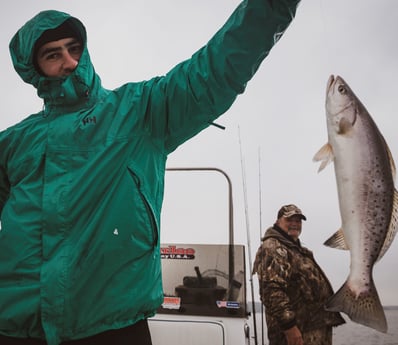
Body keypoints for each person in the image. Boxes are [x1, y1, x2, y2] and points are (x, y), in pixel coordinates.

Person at [0, 2, 302, 345]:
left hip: (112, 324)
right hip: (17, 325)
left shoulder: (141, 111)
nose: (69, 62)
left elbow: (215, 70)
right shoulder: (13, 142)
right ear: (35, 69)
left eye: (74, 49)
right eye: (53, 55)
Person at [253, 204, 345, 345]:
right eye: (290, 220)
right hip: (296, 334)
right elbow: (271, 291)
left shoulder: (298, 250)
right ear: (278, 221)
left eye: (298, 221)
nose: (295, 224)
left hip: (313, 330)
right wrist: (290, 328)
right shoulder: (273, 247)